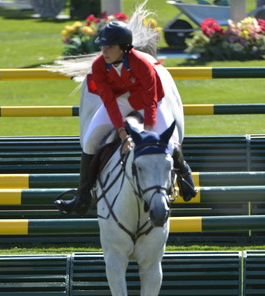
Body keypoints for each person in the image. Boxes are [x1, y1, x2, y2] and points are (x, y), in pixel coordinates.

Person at [55, 20, 197, 216]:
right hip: (119, 101)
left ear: (124, 48)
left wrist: (148, 131)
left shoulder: (142, 63)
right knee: (89, 141)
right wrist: (122, 133)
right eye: (103, 46)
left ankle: (185, 174)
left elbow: (150, 100)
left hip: (150, 99)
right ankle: (83, 195)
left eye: (110, 47)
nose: (104, 51)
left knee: (170, 139)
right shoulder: (98, 66)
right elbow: (108, 101)